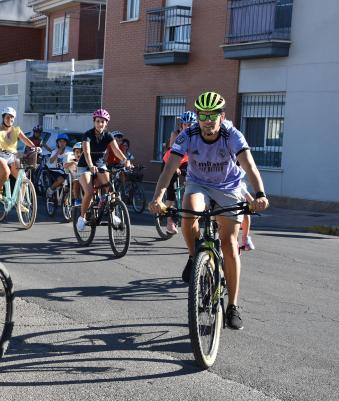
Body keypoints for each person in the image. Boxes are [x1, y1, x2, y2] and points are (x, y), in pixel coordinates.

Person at [149, 91, 269, 330]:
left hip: (228, 187)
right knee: (189, 211)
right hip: (198, 183)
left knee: (229, 243)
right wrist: (158, 197)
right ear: (197, 117)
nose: (207, 120)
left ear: (221, 116)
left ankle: (233, 305)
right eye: (202, 115)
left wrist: (260, 194)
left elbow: (249, 164)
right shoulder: (187, 135)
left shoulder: (231, 135)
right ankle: (195, 258)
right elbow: (170, 168)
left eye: (212, 115)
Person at [76, 109, 132, 232]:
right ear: (94, 122)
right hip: (85, 165)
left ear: (106, 123)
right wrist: (90, 165)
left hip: (100, 165)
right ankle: (82, 217)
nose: (100, 124)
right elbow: (86, 151)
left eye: (103, 122)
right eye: (98, 121)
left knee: (110, 189)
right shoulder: (88, 134)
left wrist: (125, 160)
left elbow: (117, 150)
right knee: (89, 191)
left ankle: (112, 215)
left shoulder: (108, 135)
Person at [0, 106, 37, 202]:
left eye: (12, 117)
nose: (10, 119)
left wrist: (34, 147)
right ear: (3, 118)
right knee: (6, 171)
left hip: (12, 156)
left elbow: (25, 139)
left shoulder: (16, 130)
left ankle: (20, 203)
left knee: (23, 179)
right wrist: (0, 148)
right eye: (7, 117)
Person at [163, 111, 196, 234]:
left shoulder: (197, 136)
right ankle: (170, 222)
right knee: (171, 192)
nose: (188, 127)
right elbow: (173, 151)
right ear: (181, 125)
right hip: (170, 161)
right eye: (185, 124)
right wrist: (174, 167)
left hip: (186, 162)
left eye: (191, 125)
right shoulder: (175, 134)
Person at [46, 133, 71, 199]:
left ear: (66, 143)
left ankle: (66, 197)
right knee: (61, 179)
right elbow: (51, 161)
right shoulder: (54, 151)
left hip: (64, 171)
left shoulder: (68, 152)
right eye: (60, 141)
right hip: (54, 170)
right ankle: (50, 190)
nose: (62, 143)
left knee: (71, 180)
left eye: (64, 141)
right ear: (57, 143)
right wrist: (58, 152)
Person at [64, 141, 82, 206]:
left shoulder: (87, 161)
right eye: (77, 152)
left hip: (85, 179)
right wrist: (72, 163)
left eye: (81, 152)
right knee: (76, 181)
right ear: (74, 153)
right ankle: (77, 200)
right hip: (73, 180)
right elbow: (65, 165)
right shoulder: (72, 161)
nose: (79, 154)